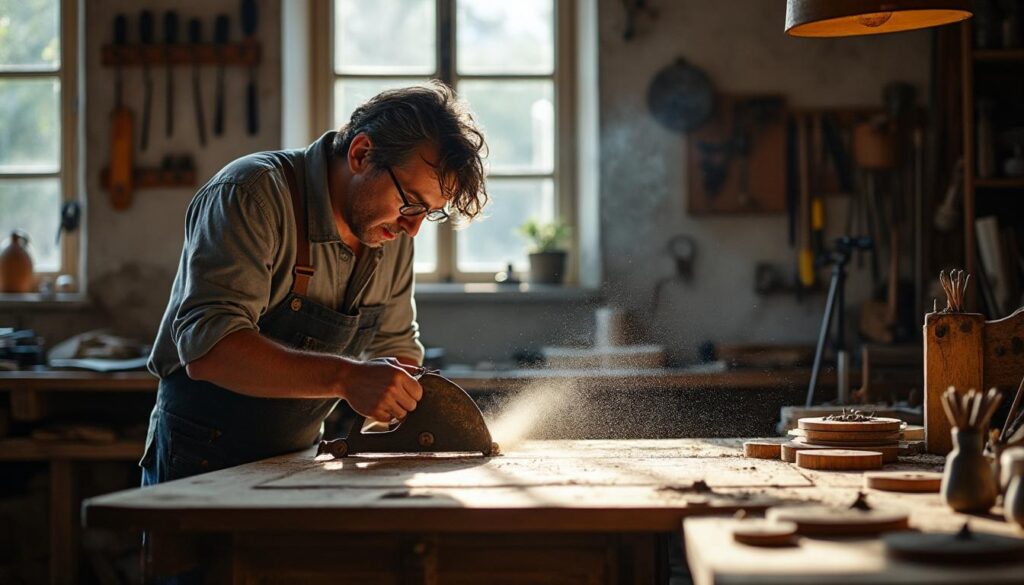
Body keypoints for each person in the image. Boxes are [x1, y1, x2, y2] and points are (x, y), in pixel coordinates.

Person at [141, 82, 488, 486]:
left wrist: (404, 407)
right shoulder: (251, 195)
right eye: (410, 202)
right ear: (361, 154)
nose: (412, 228)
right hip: (199, 462)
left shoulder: (389, 234)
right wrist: (347, 378)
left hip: (297, 460)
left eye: (427, 213)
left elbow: (395, 347)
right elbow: (210, 348)